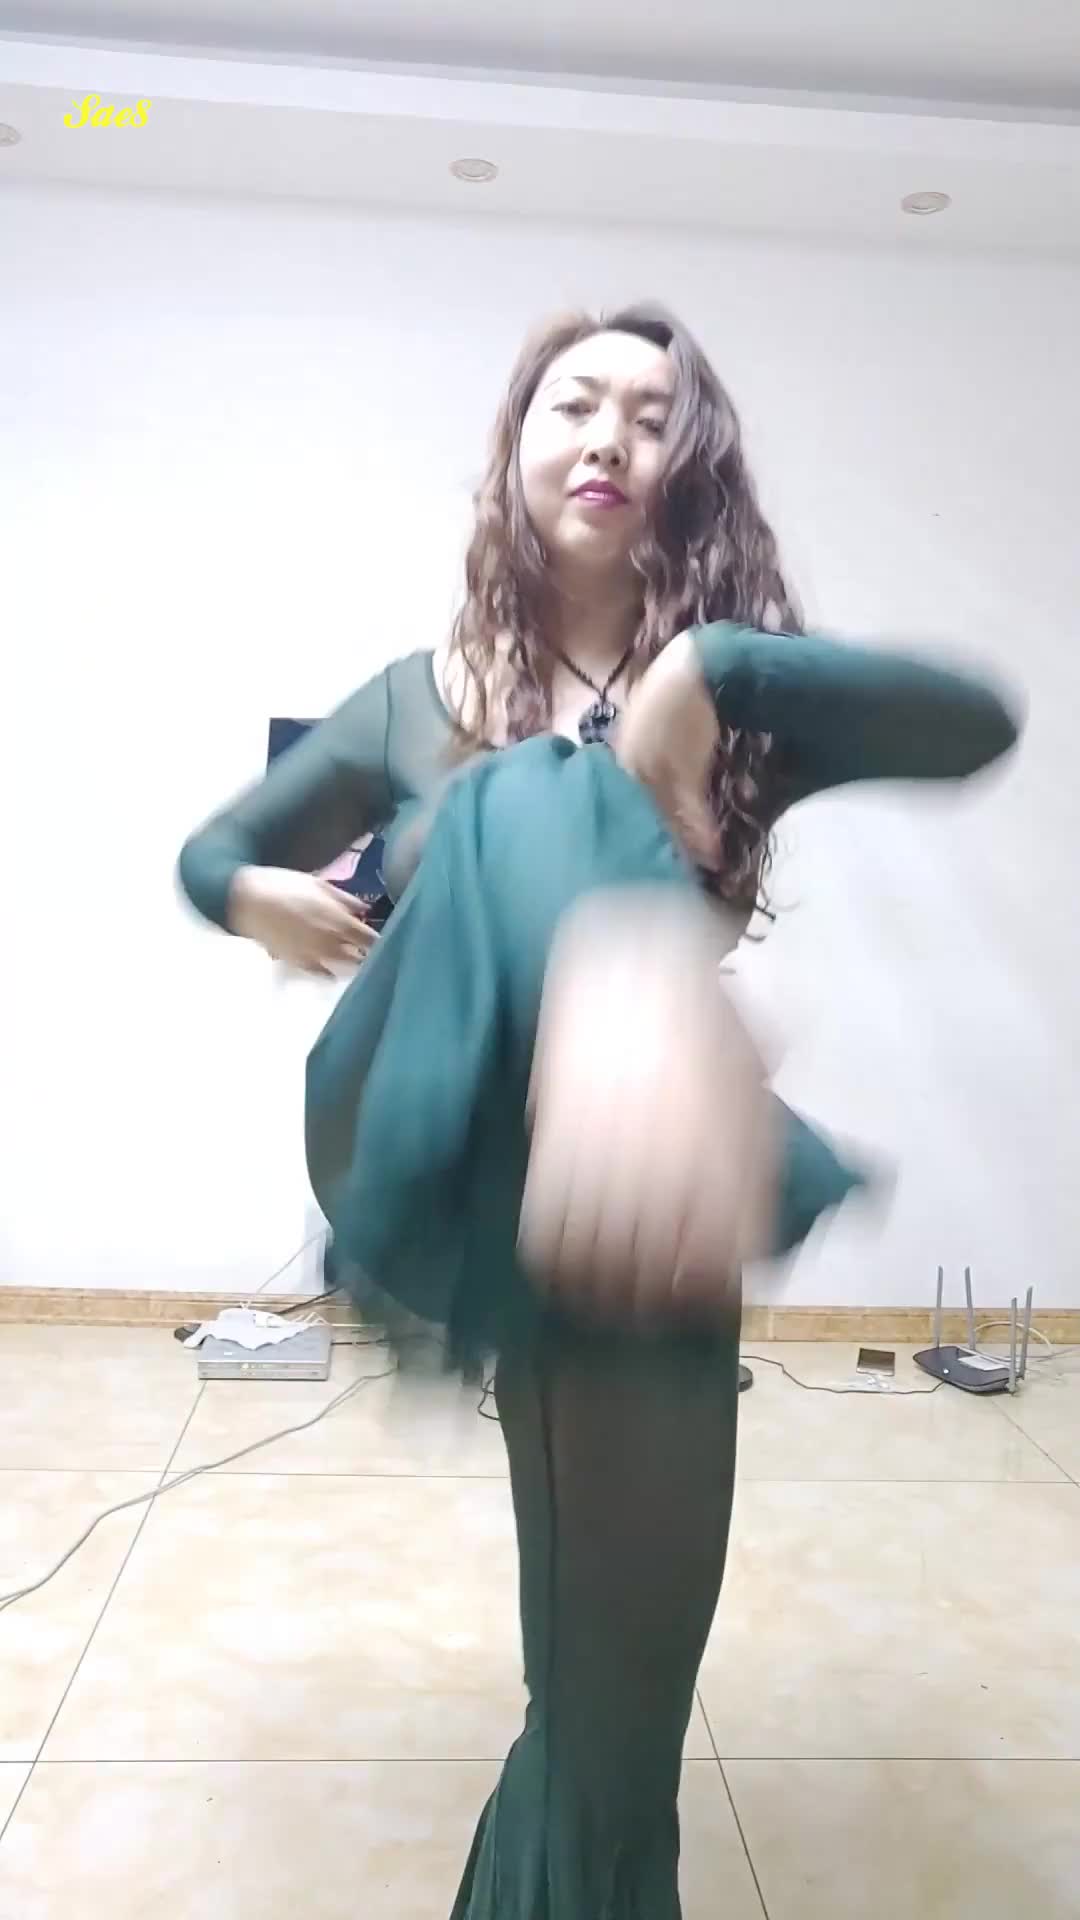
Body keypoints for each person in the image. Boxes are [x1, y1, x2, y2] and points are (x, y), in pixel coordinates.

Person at [178, 305, 1020, 1917]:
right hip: (434, 1136)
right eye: (575, 403)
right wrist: (254, 895)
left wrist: (707, 675)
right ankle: (613, 1020)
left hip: (634, 1208)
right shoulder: (417, 701)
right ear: (518, 448)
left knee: (612, 1709)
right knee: (534, 789)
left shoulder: (731, 702)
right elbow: (207, 856)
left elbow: (974, 721)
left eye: (650, 412)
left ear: (686, 468)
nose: (609, 437)